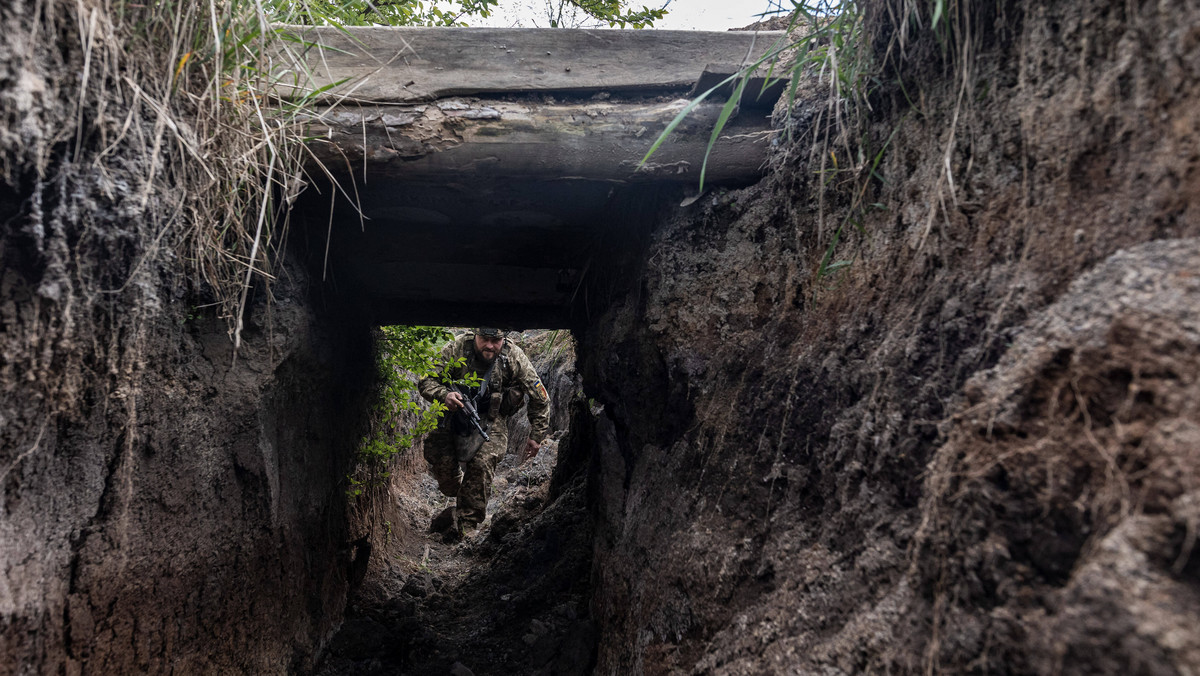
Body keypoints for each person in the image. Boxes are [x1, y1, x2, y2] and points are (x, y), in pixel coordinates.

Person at [418, 328, 551, 536]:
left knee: (482, 462)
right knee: (444, 471)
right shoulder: (457, 347)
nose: (490, 345)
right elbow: (426, 380)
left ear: (503, 339)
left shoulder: (513, 356)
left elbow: (540, 397)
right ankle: (459, 488)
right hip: (453, 414)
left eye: (495, 340)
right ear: (475, 336)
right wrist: (444, 395)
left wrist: (536, 437)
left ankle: (466, 527)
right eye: (485, 340)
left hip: (492, 418)